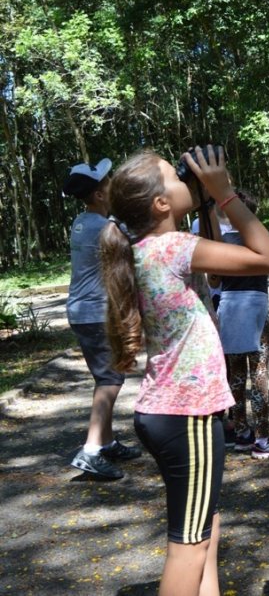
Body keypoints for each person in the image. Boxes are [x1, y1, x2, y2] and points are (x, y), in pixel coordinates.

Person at [100, 146, 269, 596]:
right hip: (188, 417)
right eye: (175, 176)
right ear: (161, 203)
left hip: (166, 413)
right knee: (189, 546)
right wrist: (224, 194)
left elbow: (217, 278)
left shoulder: (149, 249)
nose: (187, 178)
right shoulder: (175, 248)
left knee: (204, 527)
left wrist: (204, 203)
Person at [64, 158, 142, 480]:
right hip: (95, 313)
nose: (113, 188)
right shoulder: (104, 228)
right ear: (98, 194)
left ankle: (107, 442)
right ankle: (92, 449)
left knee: (106, 378)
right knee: (110, 379)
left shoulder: (82, 222)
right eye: (109, 185)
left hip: (84, 312)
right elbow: (135, 248)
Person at [218, 190, 269, 459]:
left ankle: (241, 432)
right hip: (254, 307)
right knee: (259, 372)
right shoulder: (259, 239)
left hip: (229, 306)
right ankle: (262, 439)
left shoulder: (221, 241)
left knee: (236, 374)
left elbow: (213, 279)